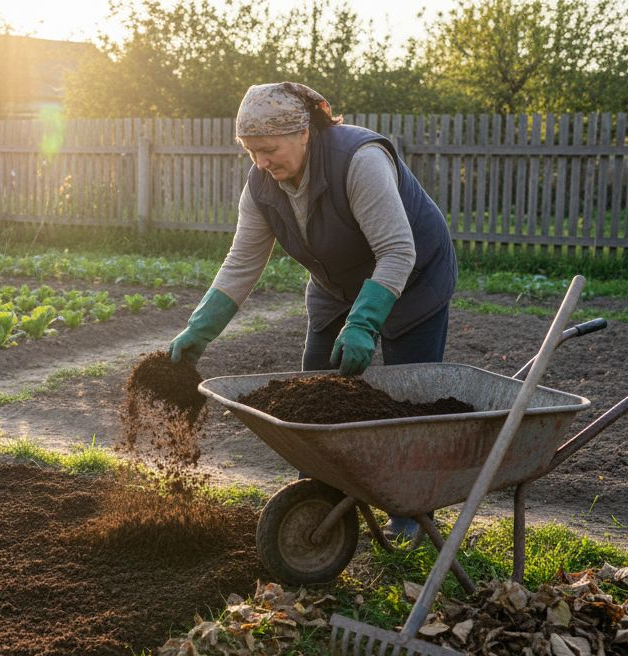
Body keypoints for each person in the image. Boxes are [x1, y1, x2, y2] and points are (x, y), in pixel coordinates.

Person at [168, 81, 457, 541]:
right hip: (334, 285)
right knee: (312, 397)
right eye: (251, 151)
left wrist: (364, 322)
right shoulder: (261, 186)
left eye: (269, 149)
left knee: (409, 403)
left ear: (303, 133)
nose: (261, 162)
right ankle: (318, 500)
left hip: (414, 278)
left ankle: (410, 515)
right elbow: (241, 263)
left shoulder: (359, 160)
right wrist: (198, 329)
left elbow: (397, 251)